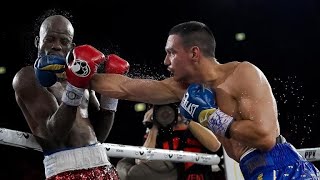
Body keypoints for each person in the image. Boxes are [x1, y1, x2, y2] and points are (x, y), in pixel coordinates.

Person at [44, 20, 320, 179]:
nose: (165, 61)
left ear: (194, 53)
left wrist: (207, 115)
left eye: (170, 53)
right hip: (253, 171)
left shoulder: (243, 74)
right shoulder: (180, 88)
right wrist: (73, 72)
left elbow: (264, 138)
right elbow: (126, 88)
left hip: (285, 169)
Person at [12, 14, 129, 179]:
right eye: (50, 39)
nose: (57, 46)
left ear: (72, 47)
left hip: (103, 165)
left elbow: (98, 135)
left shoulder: (79, 75)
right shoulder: (28, 77)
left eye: (64, 42)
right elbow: (55, 135)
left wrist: (111, 96)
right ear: (38, 41)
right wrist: (77, 85)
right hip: (66, 171)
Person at [116, 104, 221, 180]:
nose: (168, 113)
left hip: (197, 176)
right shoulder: (158, 131)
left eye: (173, 107)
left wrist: (187, 118)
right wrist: (154, 126)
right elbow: (142, 161)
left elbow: (215, 146)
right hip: (169, 175)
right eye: (162, 109)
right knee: (126, 164)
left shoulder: (196, 126)